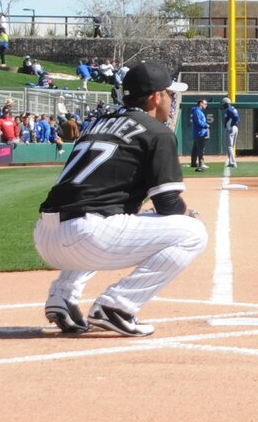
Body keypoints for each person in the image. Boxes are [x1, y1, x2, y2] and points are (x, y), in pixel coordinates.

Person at [33, 61, 205, 337]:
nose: (172, 100)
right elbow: (168, 204)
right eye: (169, 93)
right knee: (193, 233)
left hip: (45, 234)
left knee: (114, 217)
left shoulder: (98, 123)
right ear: (154, 97)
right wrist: (189, 215)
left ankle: (62, 296)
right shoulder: (157, 132)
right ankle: (118, 306)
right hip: (87, 236)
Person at [189, 98, 211, 171]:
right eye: (205, 104)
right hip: (199, 133)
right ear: (201, 103)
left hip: (198, 133)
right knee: (200, 149)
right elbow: (198, 122)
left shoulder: (198, 111)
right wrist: (206, 125)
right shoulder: (197, 111)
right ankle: (201, 163)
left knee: (195, 149)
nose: (206, 105)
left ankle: (193, 163)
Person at [223, 98, 240, 166]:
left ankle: (232, 162)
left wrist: (232, 125)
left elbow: (236, 117)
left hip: (231, 128)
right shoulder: (233, 108)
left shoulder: (229, 110)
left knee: (229, 146)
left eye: (223, 104)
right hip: (235, 128)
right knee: (232, 146)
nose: (222, 105)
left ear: (226, 104)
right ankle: (231, 162)